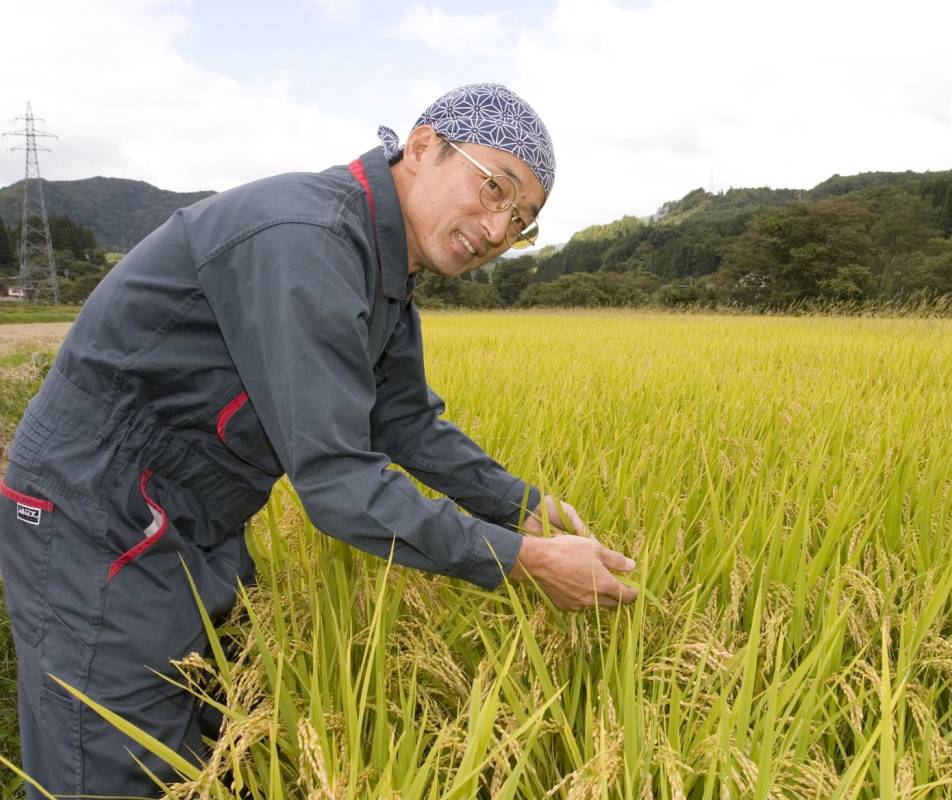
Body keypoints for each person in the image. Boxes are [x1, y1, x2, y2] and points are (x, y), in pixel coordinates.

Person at [0, 83, 638, 796]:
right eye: (494, 189)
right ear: (423, 147)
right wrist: (525, 561)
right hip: (99, 513)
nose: (496, 231)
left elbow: (402, 419)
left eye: (521, 221)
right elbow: (339, 483)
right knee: (106, 765)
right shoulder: (307, 239)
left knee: (200, 744)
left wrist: (521, 504)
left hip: (192, 516)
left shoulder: (385, 265)